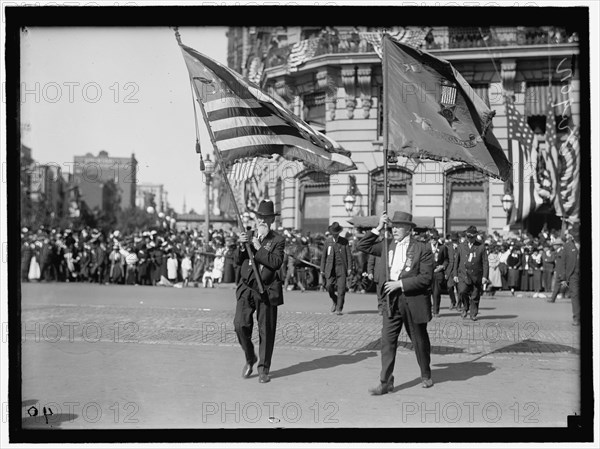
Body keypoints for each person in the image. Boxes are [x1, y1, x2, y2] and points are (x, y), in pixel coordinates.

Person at [357, 211, 434, 395]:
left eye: (399, 226)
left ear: (409, 229)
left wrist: (400, 284)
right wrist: (377, 227)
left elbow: (426, 278)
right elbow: (363, 245)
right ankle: (385, 381)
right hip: (391, 301)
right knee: (387, 341)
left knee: (419, 340)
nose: (395, 229)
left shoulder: (422, 248)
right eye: (393, 225)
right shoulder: (386, 245)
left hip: (412, 299)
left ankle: (425, 374)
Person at [234, 200, 285, 384]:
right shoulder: (247, 235)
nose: (262, 221)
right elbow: (237, 261)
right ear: (256, 219)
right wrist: (241, 247)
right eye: (260, 217)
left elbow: (276, 263)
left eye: (266, 218)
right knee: (240, 325)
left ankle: (263, 368)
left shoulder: (277, 240)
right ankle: (250, 357)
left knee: (266, 331)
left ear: (271, 220)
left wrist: (258, 248)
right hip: (247, 288)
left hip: (266, 289)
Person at [453, 225, 489, 321]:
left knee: (475, 295)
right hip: (463, 274)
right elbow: (456, 261)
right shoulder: (461, 246)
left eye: (472, 237)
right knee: (462, 291)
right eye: (468, 237)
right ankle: (465, 306)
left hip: (476, 275)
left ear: (475, 237)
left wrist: (485, 276)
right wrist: (455, 274)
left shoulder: (481, 246)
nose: (470, 239)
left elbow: (485, 262)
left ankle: (473, 314)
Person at [320, 222, 353, 315]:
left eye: (336, 233)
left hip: (341, 268)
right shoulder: (327, 242)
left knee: (341, 290)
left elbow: (349, 256)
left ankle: (339, 308)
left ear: (339, 233)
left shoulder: (344, 241)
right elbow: (323, 257)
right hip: (330, 268)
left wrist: (350, 268)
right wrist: (322, 269)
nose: (335, 234)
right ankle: (335, 300)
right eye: (333, 233)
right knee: (328, 286)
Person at [562, 227, 580, 326]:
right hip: (573, 274)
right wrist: (564, 278)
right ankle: (577, 318)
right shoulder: (567, 246)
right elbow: (563, 263)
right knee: (575, 295)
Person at [429, 228, 449, 317]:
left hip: (437, 273)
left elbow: (446, 259)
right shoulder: (425, 247)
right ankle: (427, 309)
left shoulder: (443, 247)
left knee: (436, 293)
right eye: (431, 238)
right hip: (427, 273)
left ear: (437, 238)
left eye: (435, 238)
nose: (433, 240)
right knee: (426, 293)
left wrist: (442, 266)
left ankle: (435, 311)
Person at [444, 233, 459, 310]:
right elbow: (446, 259)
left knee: (459, 288)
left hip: (458, 271)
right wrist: (446, 272)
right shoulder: (448, 247)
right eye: (453, 240)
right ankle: (453, 301)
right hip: (450, 270)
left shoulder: (461, 247)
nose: (454, 242)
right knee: (450, 287)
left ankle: (459, 305)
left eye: (455, 240)